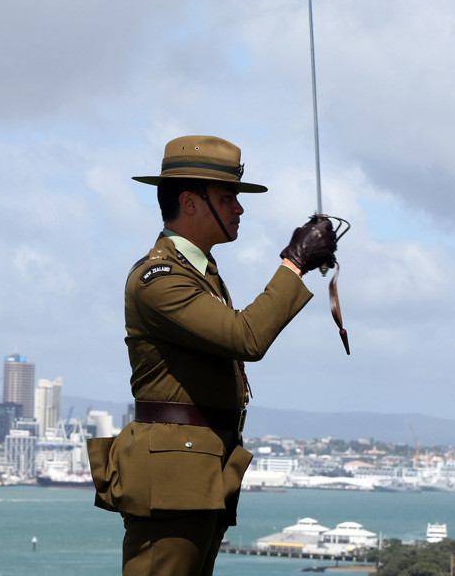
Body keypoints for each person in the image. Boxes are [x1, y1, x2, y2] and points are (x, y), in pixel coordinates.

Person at [88, 135, 338, 575]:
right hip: (171, 476)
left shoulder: (199, 274)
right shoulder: (159, 278)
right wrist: (294, 262)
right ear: (189, 201)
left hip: (193, 472)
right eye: (228, 198)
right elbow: (245, 338)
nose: (239, 209)